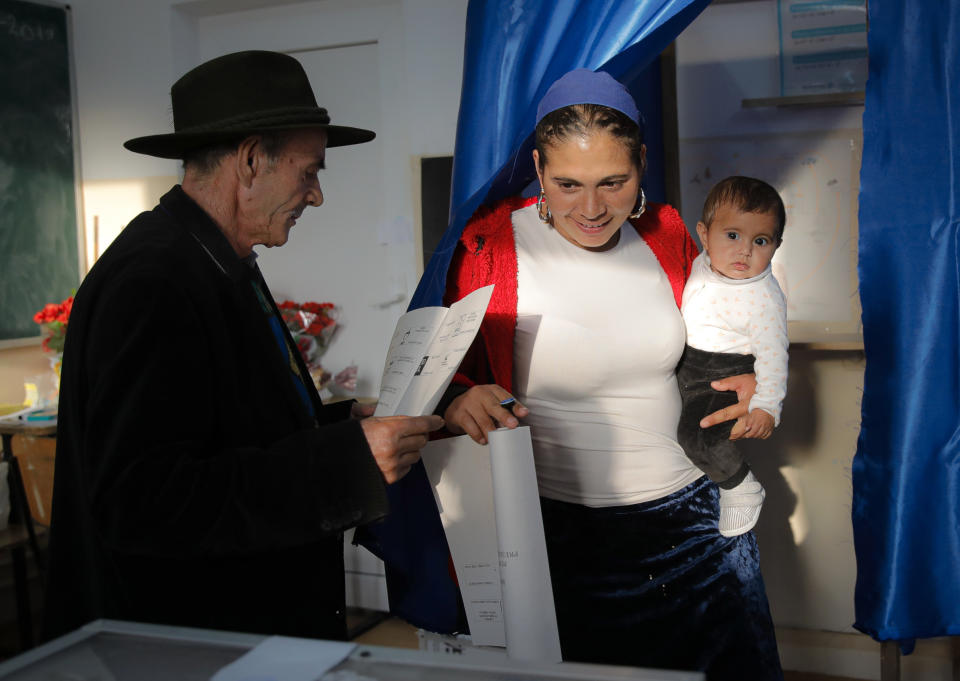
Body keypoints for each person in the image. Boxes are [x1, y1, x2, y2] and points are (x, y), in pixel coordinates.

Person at [42, 51, 443, 641]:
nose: (317, 196)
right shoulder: (152, 280)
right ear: (252, 160)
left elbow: (235, 429)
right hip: (189, 648)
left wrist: (347, 426)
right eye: (310, 172)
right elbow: (144, 501)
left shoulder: (218, 261)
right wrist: (348, 461)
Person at [440, 69, 783, 679]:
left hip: (695, 523)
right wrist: (458, 402)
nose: (592, 208)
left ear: (642, 164)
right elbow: (452, 375)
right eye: (568, 184)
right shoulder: (490, 244)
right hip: (557, 537)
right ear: (539, 169)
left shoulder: (669, 232)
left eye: (613, 183)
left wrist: (748, 372)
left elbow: (734, 309)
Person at [677, 176, 789, 537]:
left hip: (725, 371)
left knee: (699, 438)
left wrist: (767, 406)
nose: (744, 251)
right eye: (732, 235)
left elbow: (774, 357)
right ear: (704, 235)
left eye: (760, 241)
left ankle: (741, 487)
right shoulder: (701, 263)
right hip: (689, 364)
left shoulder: (764, 299)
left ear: (776, 246)